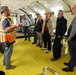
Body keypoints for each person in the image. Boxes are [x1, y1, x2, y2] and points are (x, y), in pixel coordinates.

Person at [62, 5, 76, 72]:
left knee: (73, 54)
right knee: (72, 53)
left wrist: (69, 38)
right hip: (73, 39)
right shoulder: (74, 18)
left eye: (73, 8)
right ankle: (71, 63)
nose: (72, 9)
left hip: (73, 40)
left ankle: (70, 68)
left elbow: (74, 30)